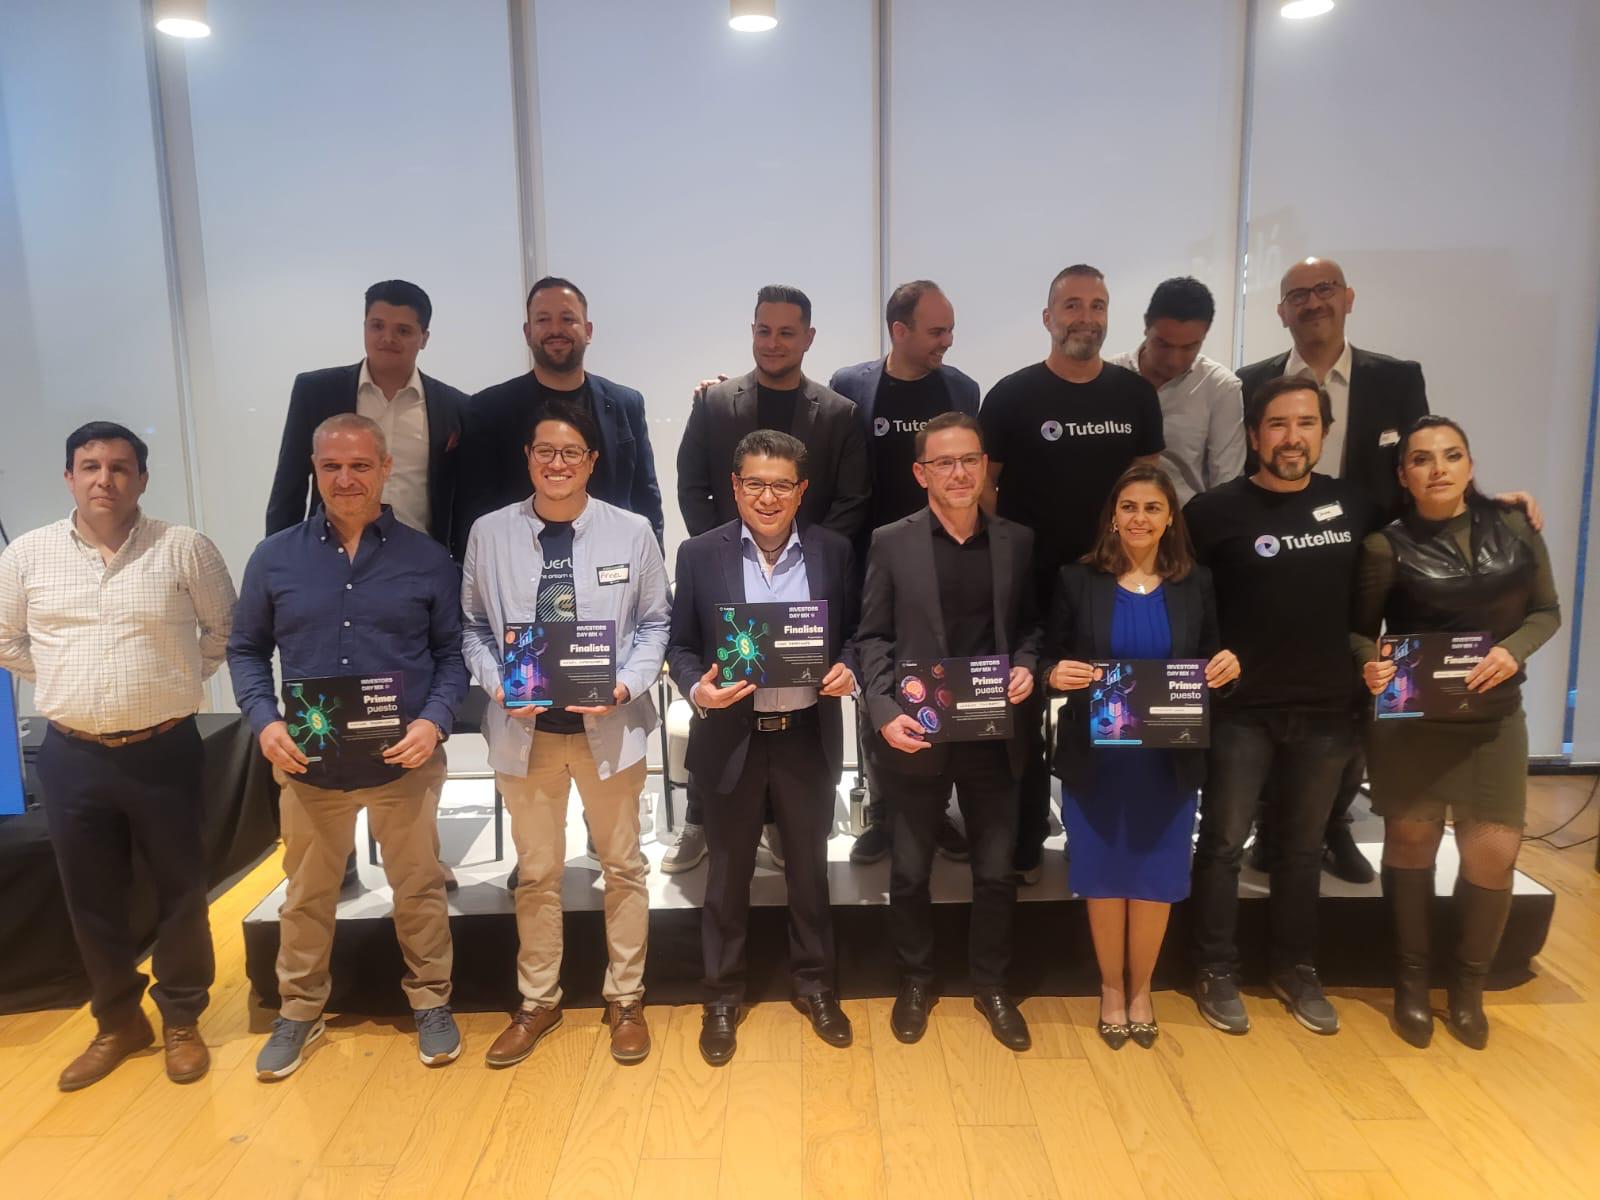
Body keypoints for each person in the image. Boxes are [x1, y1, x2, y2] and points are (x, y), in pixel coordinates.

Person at [230, 414, 468, 1080]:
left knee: (418, 889)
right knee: (307, 896)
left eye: (360, 465)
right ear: (314, 469)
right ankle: (299, 1011)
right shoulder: (274, 557)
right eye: (331, 466)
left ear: (386, 468)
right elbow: (246, 650)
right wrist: (264, 721)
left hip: (404, 761)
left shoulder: (428, 559)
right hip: (309, 764)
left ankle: (431, 1001)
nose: (345, 479)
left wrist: (434, 722)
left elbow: (452, 656)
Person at [0, 422, 235, 1091]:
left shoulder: (184, 548)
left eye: (120, 467)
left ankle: (182, 1018)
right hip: (72, 755)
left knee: (180, 891)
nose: (105, 479)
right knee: (91, 897)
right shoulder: (27, 556)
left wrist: (175, 678)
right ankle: (118, 1022)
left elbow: (226, 630)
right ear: (69, 477)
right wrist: (62, 679)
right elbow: (5, 638)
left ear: (142, 478)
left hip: (164, 748)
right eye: (91, 466)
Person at [461, 400, 671, 1067]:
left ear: (592, 461)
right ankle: (538, 1000)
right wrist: (497, 684)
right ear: (528, 458)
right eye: (546, 452)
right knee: (537, 874)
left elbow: (656, 624)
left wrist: (624, 686)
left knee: (624, 868)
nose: (558, 464)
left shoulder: (631, 532)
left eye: (571, 452)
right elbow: (472, 627)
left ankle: (626, 997)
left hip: (610, 728)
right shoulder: (490, 533)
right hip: (526, 733)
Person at [1352, 416, 1559, 1049]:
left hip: (1494, 720)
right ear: (1403, 475)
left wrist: (1513, 651)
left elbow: (1546, 611)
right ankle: (1412, 983)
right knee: (1411, 845)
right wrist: (1369, 663)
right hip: (1414, 723)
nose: (1438, 468)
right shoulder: (1385, 546)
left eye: (1451, 455)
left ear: (1471, 465)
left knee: (1493, 854)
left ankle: (1468, 987)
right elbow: (1359, 629)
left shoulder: (1517, 526)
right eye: (1422, 459)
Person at [1184, 375, 1378, 1036]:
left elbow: (1426, 526)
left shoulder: (1354, 504)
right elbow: (1185, 601)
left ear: (1324, 431)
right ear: (1254, 434)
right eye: (1277, 424)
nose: (1292, 438)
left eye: (1306, 423)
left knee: (1302, 849)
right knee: (1222, 845)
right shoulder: (1212, 513)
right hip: (1240, 712)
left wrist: (1502, 505)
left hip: (1327, 710)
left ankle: (1295, 968)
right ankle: (1214, 967)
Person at [666, 430, 859, 1065]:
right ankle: (722, 996)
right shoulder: (700, 554)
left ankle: (817, 987)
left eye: (781, 485)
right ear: (735, 487)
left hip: (805, 736)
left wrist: (850, 668)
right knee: (727, 876)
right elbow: (681, 644)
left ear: (802, 490)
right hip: (731, 738)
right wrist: (697, 687)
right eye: (755, 484)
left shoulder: (833, 551)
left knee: (809, 872)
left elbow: (857, 634)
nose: (767, 497)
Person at [665, 285, 870, 874]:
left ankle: (782, 825)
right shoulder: (715, 402)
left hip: (806, 583)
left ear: (808, 338)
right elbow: (691, 484)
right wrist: (728, 556)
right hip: (732, 581)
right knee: (722, 703)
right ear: (751, 332)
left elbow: (852, 498)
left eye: (786, 332)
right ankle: (702, 820)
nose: (773, 342)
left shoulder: (838, 412)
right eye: (763, 330)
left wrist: (808, 558)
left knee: (793, 719)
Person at [1237, 257, 1427, 884]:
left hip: (1367, 565)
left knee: (1358, 699)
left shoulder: (1396, 379)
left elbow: (1420, 466)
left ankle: (1332, 821)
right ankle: (1273, 825)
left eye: (1324, 290)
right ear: (1281, 311)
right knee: (1273, 697)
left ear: (1348, 298)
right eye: (1298, 294)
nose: (1313, 302)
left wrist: (1487, 505)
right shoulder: (1250, 381)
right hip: (1281, 562)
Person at [854, 413, 1039, 1050]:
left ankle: (992, 985)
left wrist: (1028, 664)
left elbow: (1033, 627)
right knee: (909, 873)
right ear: (920, 472)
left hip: (993, 732)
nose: (958, 473)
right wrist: (883, 711)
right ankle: (916, 981)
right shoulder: (891, 542)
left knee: (996, 873)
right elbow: (872, 637)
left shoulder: (1018, 540)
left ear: (984, 465)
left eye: (969, 460)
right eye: (943, 463)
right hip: (919, 731)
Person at [980, 264, 1164, 883]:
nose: (1086, 317)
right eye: (1073, 305)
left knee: (1110, 708)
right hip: (1029, 584)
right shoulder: (1011, 396)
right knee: (1023, 714)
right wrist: (1007, 551)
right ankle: (1027, 839)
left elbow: (1146, 486)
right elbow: (986, 486)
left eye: (1098, 305)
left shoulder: (1134, 395)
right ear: (1048, 318)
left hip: (1111, 584)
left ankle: (1107, 835)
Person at [1042, 465, 1237, 1050]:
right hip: (1098, 761)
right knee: (1104, 876)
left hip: (1167, 764)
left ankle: (1142, 989)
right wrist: (1054, 673)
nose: (1139, 518)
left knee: (1155, 876)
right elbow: (1049, 656)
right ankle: (1110, 988)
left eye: (1152, 508)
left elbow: (1211, 661)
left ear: (1170, 517)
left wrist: (1226, 669)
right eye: (1128, 506)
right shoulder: (1078, 579)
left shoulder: (1196, 583)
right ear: (1112, 515)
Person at [830, 280, 980, 866]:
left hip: (943, 561)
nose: (948, 340)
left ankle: (934, 812)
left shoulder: (961, 389)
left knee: (939, 680)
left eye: (950, 328)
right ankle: (883, 812)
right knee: (877, 685)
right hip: (872, 563)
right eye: (937, 330)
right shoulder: (851, 384)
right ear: (900, 331)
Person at [452, 276, 664, 556]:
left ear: (588, 330)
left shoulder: (626, 403)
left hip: (614, 565)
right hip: (521, 566)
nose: (555, 330)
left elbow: (646, 497)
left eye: (567, 319)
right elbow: (473, 508)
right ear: (527, 332)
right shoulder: (488, 409)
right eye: (543, 320)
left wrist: (651, 561)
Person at [266, 279, 466, 544]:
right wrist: (278, 557)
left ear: (424, 338)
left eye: (403, 330)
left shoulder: (455, 407)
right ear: (364, 327)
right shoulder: (316, 392)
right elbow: (289, 488)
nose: (388, 338)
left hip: (420, 558)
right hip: (330, 553)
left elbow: (462, 500)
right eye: (377, 326)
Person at [1108, 276, 1245, 506]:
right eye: (1163, 344)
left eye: (1189, 347)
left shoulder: (1220, 387)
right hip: (1113, 518)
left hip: (1189, 520)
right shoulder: (1109, 377)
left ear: (1205, 334)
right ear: (1146, 325)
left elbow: (1227, 482)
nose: (1174, 360)